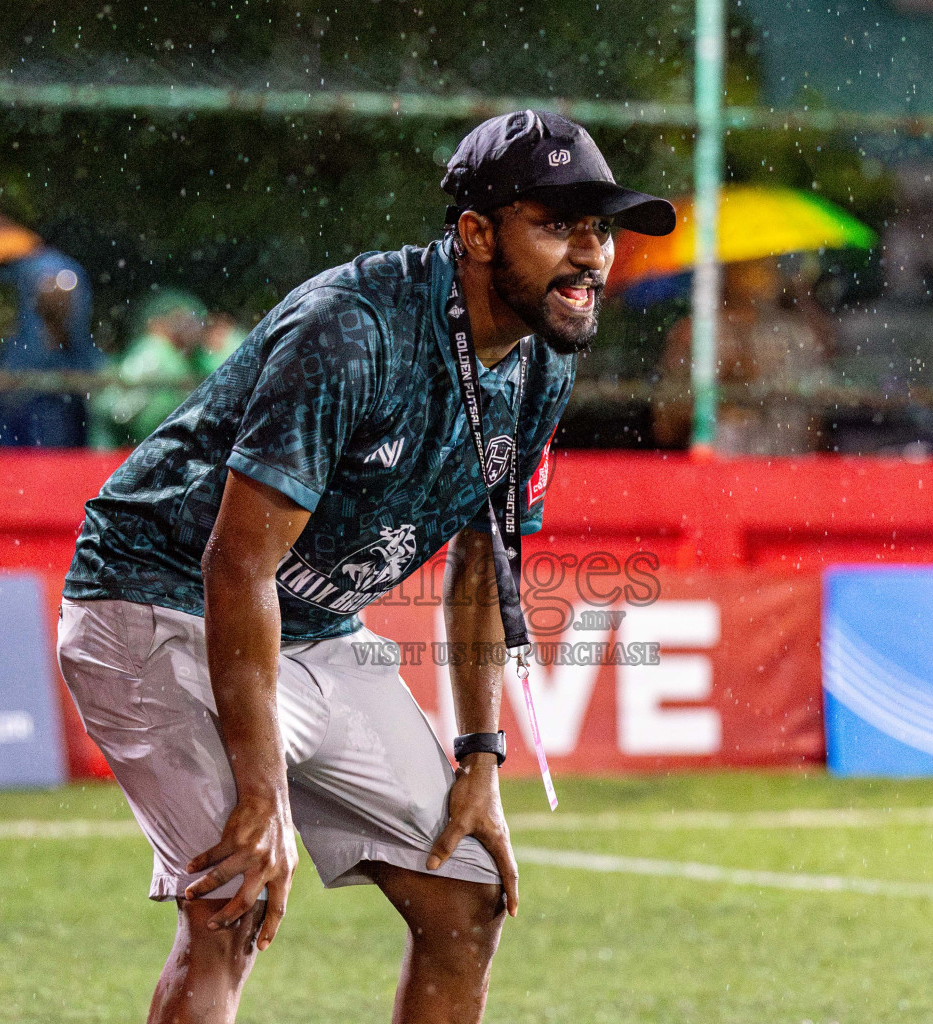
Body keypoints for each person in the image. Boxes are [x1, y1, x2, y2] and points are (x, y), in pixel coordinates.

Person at [56, 110, 674, 1024]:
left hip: (307, 627)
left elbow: (481, 562)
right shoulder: (354, 329)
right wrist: (263, 795)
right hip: (154, 601)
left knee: (466, 897)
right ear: (475, 231)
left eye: (602, 229)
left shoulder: (544, 356)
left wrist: (480, 758)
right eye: (557, 225)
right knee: (237, 896)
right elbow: (236, 562)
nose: (590, 255)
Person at [651, 258, 833, 454]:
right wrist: (720, 400)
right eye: (753, 264)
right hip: (721, 468)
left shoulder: (794, 334)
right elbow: (665, 425)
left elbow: (813, 418)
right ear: (727, 271)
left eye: (768, 262)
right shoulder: (696, 335)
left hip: (785, 465)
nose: (766, 272)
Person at [0, 204, 105, 447]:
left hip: (48, 401)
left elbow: (61, 308)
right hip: (15, 401)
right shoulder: (11, 271)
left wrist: (55, 301)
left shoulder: (45, 266)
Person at [92, 289, 210, 447]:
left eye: (192, 320)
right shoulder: (153, 350)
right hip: (129, 452)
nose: (189, 328)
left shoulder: (189, 358)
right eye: (179, 320)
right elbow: (115, 408)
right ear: (156, 323)